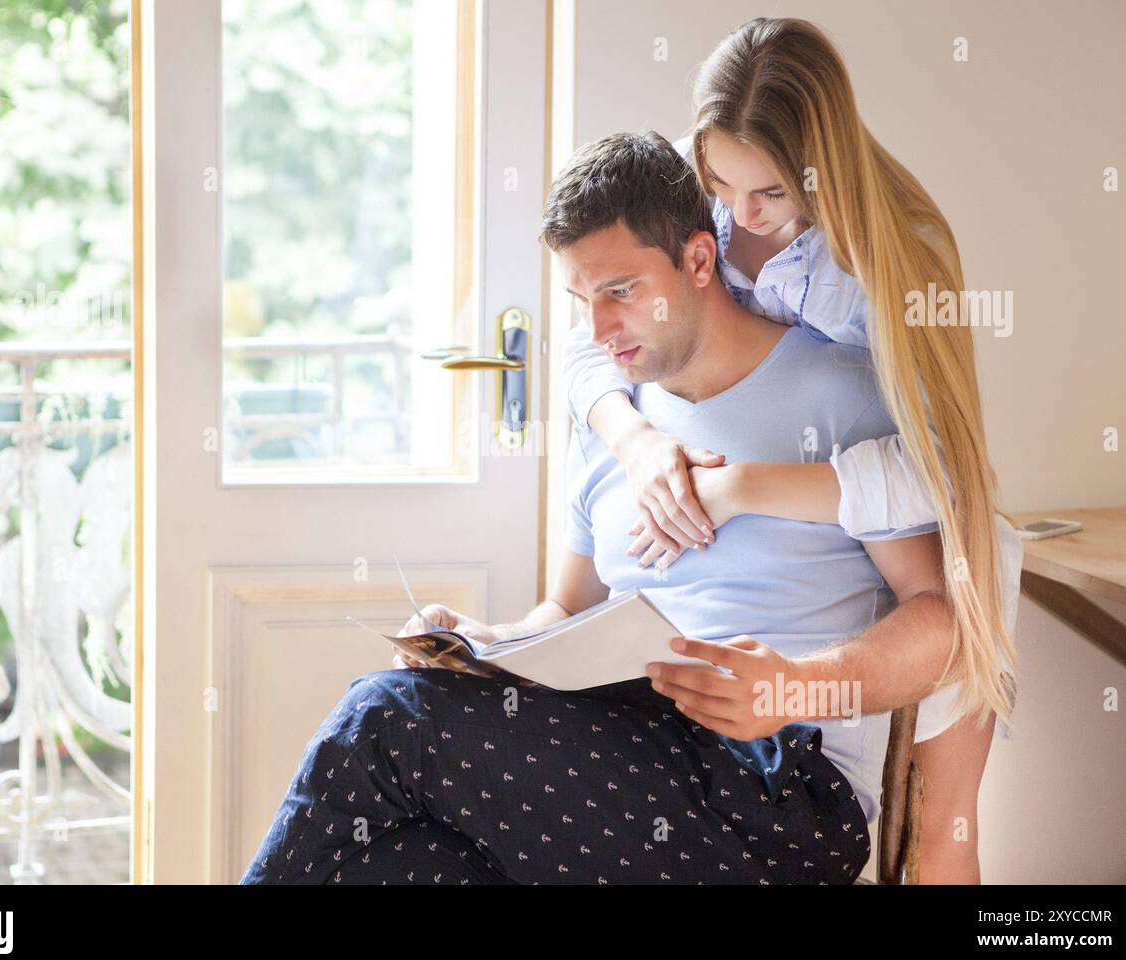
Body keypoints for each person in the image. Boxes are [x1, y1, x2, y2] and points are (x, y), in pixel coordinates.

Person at [239, 131, 958, 885]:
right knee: (406, 860)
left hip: (779, 789)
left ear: (699, 260)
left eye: (619, 292)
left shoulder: (839, 392)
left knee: (387, 716)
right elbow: (566, 610)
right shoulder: (617, 431)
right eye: (581, 300)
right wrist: (487, 645)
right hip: (630, 752)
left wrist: (794, 686)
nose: (598, 331)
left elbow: (941, 621)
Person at [563, 18, 1021, 882]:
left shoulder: (898, 262)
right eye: (718, 185)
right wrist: (638, 443)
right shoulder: (692, 198)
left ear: (823, 171)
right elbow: (591, 332)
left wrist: (742, 490)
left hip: (925, 515)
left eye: (768, 194)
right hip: (783, 483)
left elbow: (929, 473)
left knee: (939, 823)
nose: (737, 221)